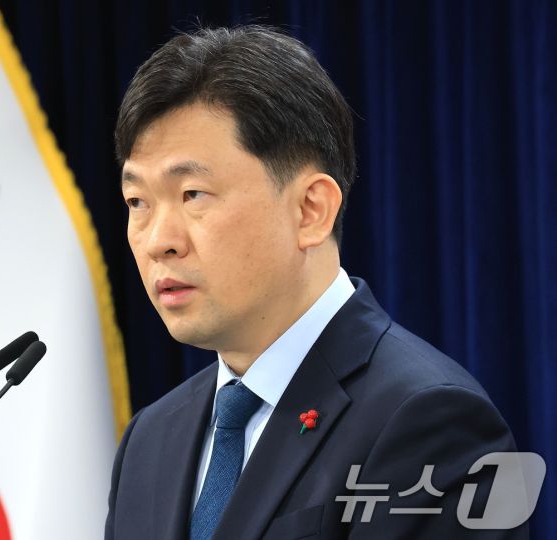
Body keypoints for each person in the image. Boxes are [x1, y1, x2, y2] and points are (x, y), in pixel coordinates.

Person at [106, 26, 526, 539]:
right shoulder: (150, 439)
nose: (157, 241)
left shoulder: (432, 420)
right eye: (137, 202)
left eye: (193, 194)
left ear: (311, 210)